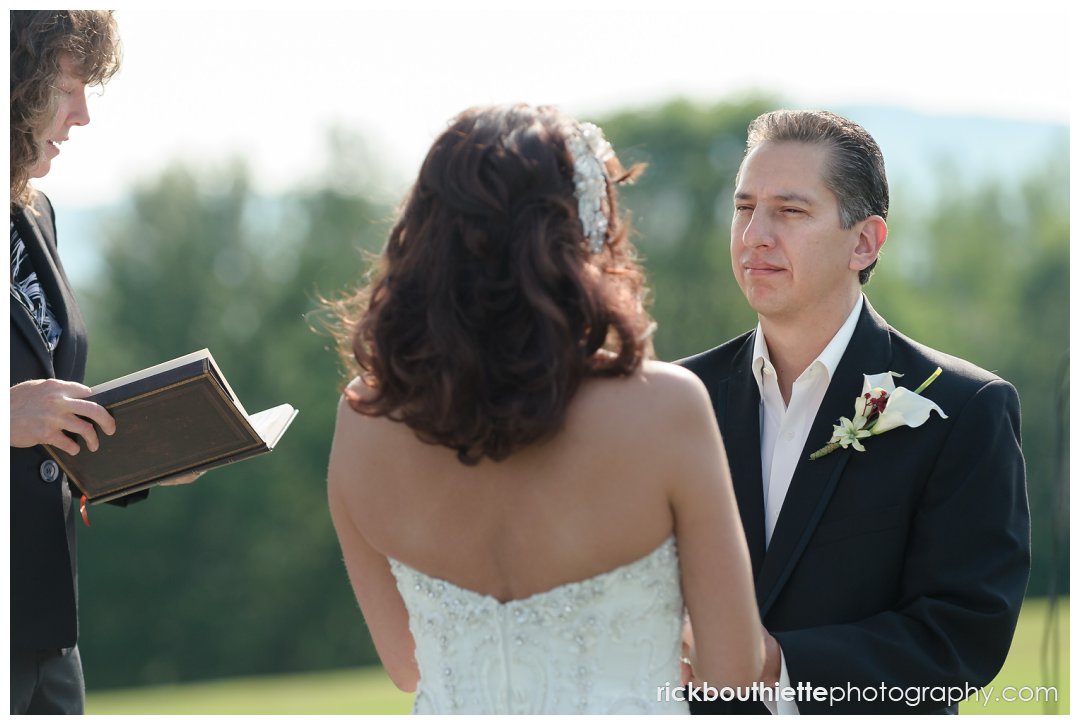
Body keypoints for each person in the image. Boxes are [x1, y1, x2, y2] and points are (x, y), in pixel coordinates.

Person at [327, 104, 764, 714]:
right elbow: (735, 673)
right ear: (578, 233)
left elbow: (406, 665)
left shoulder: (363, 422)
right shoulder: (665, 408)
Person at [679, 110, 1030, 714]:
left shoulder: (962, 407)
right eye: (743, 208)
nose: (754, 234)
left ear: (864, 241)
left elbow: (962, 635)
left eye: (789, 211)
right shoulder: (680, 398)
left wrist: (776, 666)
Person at [9, 10, 195, 714]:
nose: (82, 115)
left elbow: (47, 416)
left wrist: (146, 452)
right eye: (65, 88)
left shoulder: (37, 215)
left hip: (48, 634)